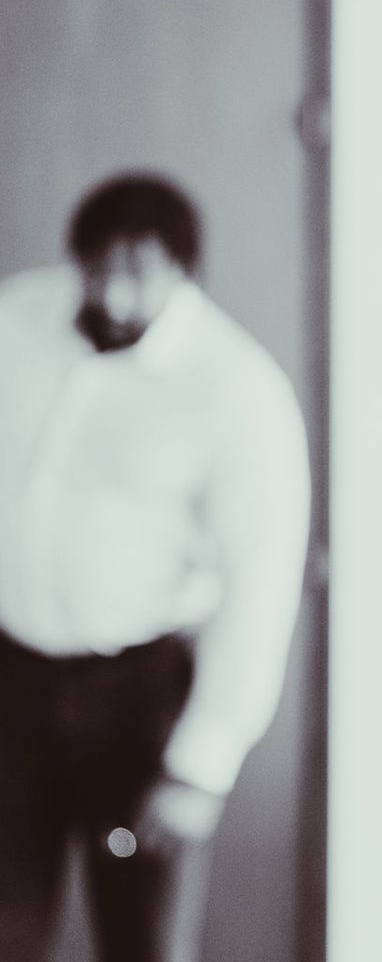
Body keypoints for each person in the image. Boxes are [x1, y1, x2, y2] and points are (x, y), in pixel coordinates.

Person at [0, 173, 311, 962]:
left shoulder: (238, 392)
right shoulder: (17, 320)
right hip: (12, 684)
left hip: (134, 707)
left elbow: (261, 583)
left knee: (142, 943)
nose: (114, 291)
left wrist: (203, 764)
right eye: (99, 265)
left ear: (181, 271)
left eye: (139, 270)